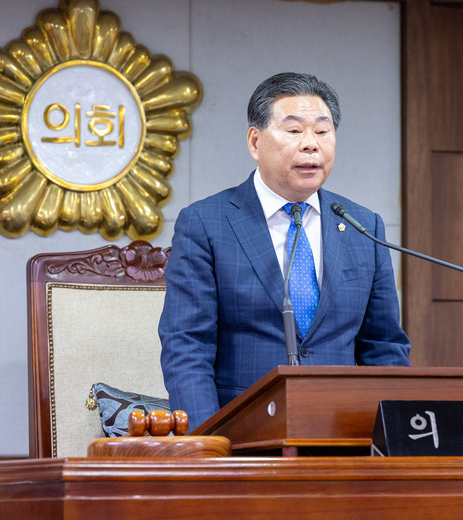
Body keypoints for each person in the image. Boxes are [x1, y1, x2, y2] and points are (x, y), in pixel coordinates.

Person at [159, 72, 411, 431]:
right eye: (294, 130)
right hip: (243, 437)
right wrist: (208, 444)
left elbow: (384, 347)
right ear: (255, 141)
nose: (311, 145)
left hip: (343, 436)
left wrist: (398, 437)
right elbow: (187, 346)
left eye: (322, 131)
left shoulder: (362, 225)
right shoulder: (206, 223)